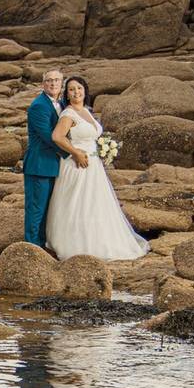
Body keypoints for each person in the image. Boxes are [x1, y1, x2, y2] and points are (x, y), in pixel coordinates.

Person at [45, 76, 149, 261]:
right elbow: (57, 137)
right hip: (77, 165)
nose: (76, 92)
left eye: (79, 88)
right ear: (67, 95)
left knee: (95, 204)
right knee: (78, 204)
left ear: (85, 90)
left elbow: (92, 136)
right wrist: (76, 152)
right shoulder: (68, 114)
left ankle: (99, 241)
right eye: (71, 89)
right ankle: (74, 244)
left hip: (94, 166)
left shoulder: (86, 111)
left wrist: (103, 149)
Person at [22, 70, 69, 249]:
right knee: (36, 209)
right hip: (39, 164)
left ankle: (42, 244)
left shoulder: (63, 103)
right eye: (49, 80)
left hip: (54, 164)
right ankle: (32, 248)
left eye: (57, 80)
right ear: (43, 84)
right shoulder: (39, 106)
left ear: (61, 83)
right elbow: (48, 137)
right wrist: (71, 154)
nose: (53, 83)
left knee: (48, 209)